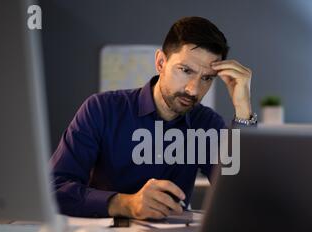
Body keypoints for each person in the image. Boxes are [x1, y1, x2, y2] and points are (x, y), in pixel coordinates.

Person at [50, 16, 257, 220]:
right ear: (160, 62)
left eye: (206, 78)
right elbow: (54, 189)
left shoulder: (207, 124)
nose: (193, 90)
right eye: (185, 70)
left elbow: (243, 199)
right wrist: (125, 203)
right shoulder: (101, 109)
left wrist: (243, 110)